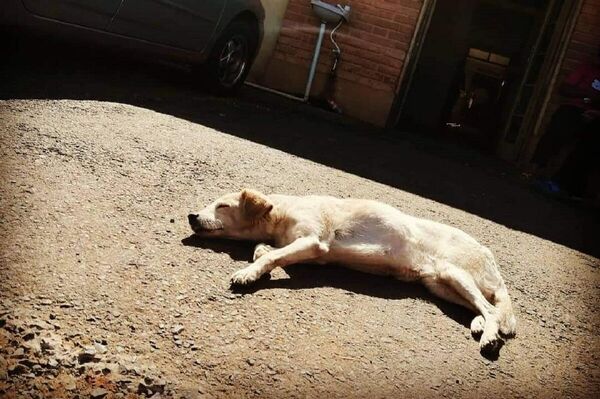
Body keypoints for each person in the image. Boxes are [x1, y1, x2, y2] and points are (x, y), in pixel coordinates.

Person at [532, 47, 600, 199]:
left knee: (591, 145)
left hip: (595, 117)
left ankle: (569, 188)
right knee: (560, 126)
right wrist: (587, 96)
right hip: (574, 109)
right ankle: (537, 169)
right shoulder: (586, 69)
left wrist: (595, 112)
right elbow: (564, 89)